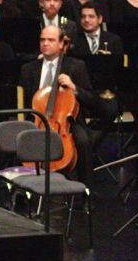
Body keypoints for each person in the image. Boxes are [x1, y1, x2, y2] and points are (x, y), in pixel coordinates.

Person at [19, 26, 99, 189]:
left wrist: (74, 88)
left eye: (50, 40)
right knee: (19, 137)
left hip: (66, 121)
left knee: (83, 141)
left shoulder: (76, 66)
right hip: (37, 120)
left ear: (61, 44)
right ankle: (23, 190)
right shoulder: (28, 69)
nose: (45, 43)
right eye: (42, 40)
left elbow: (92, 100)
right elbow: (24, 101)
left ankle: (87, 190)